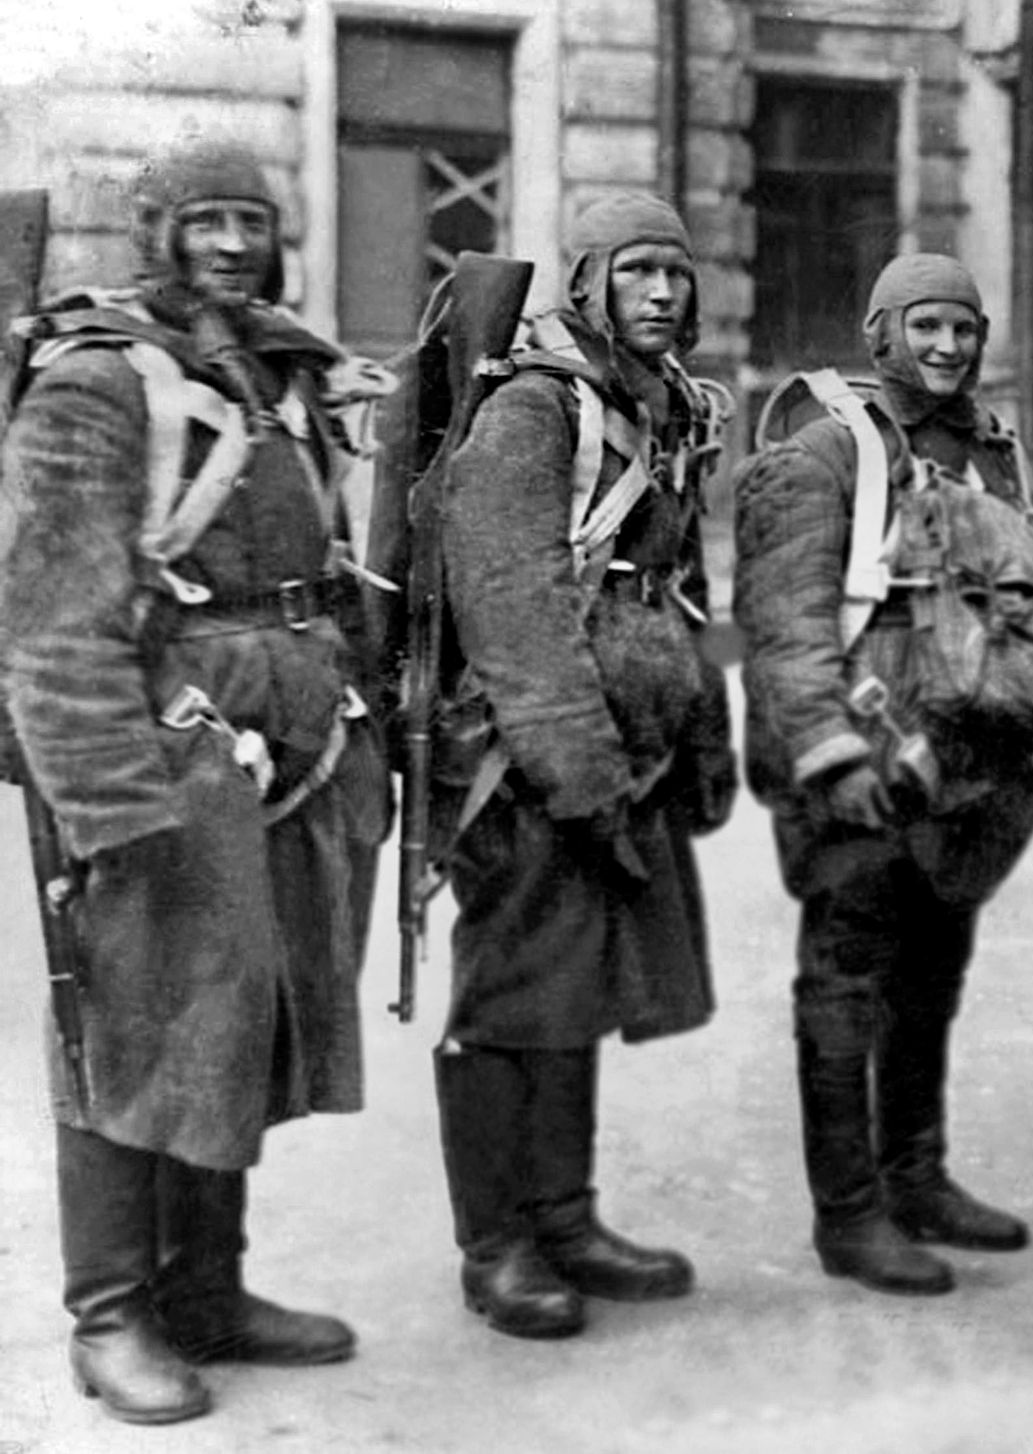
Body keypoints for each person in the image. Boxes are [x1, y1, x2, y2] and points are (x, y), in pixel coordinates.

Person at [0, 138, 390, 1423]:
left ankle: (206, 1288)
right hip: (153, 744)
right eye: (204, 220)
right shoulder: (99, 381)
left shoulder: (273, 372)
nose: (232, 243)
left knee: (235, 1017)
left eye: (252, 221)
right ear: (151, 232)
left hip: (278, 742)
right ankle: (110, 1315)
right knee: (120, 1027)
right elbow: (54, 614)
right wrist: (109, 801)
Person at [735, 253, 1033, 1298]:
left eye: (963, 328)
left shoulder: (991, 451)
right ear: (878, 331)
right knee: (844, 983)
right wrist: (825, 751)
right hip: (863, 764)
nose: (946, 347)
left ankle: (917, 1176)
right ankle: (848, 1214)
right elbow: (782, 621)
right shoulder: (822, 452)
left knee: (932, 977)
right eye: (924, 327)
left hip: (972, 771)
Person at [432, 192, 732, 1340]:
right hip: (526, 762)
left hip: (630, 749)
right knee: (512, 998)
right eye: (639, 271)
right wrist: (578, 774)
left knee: (581, 990)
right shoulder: (533, 409)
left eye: (677, 273)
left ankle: (564, 1216)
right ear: (590, 281)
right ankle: (496, 1244)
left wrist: (708, 730)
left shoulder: (667, 410)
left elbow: (689, 599)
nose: (663, 292)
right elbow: (509, 604)